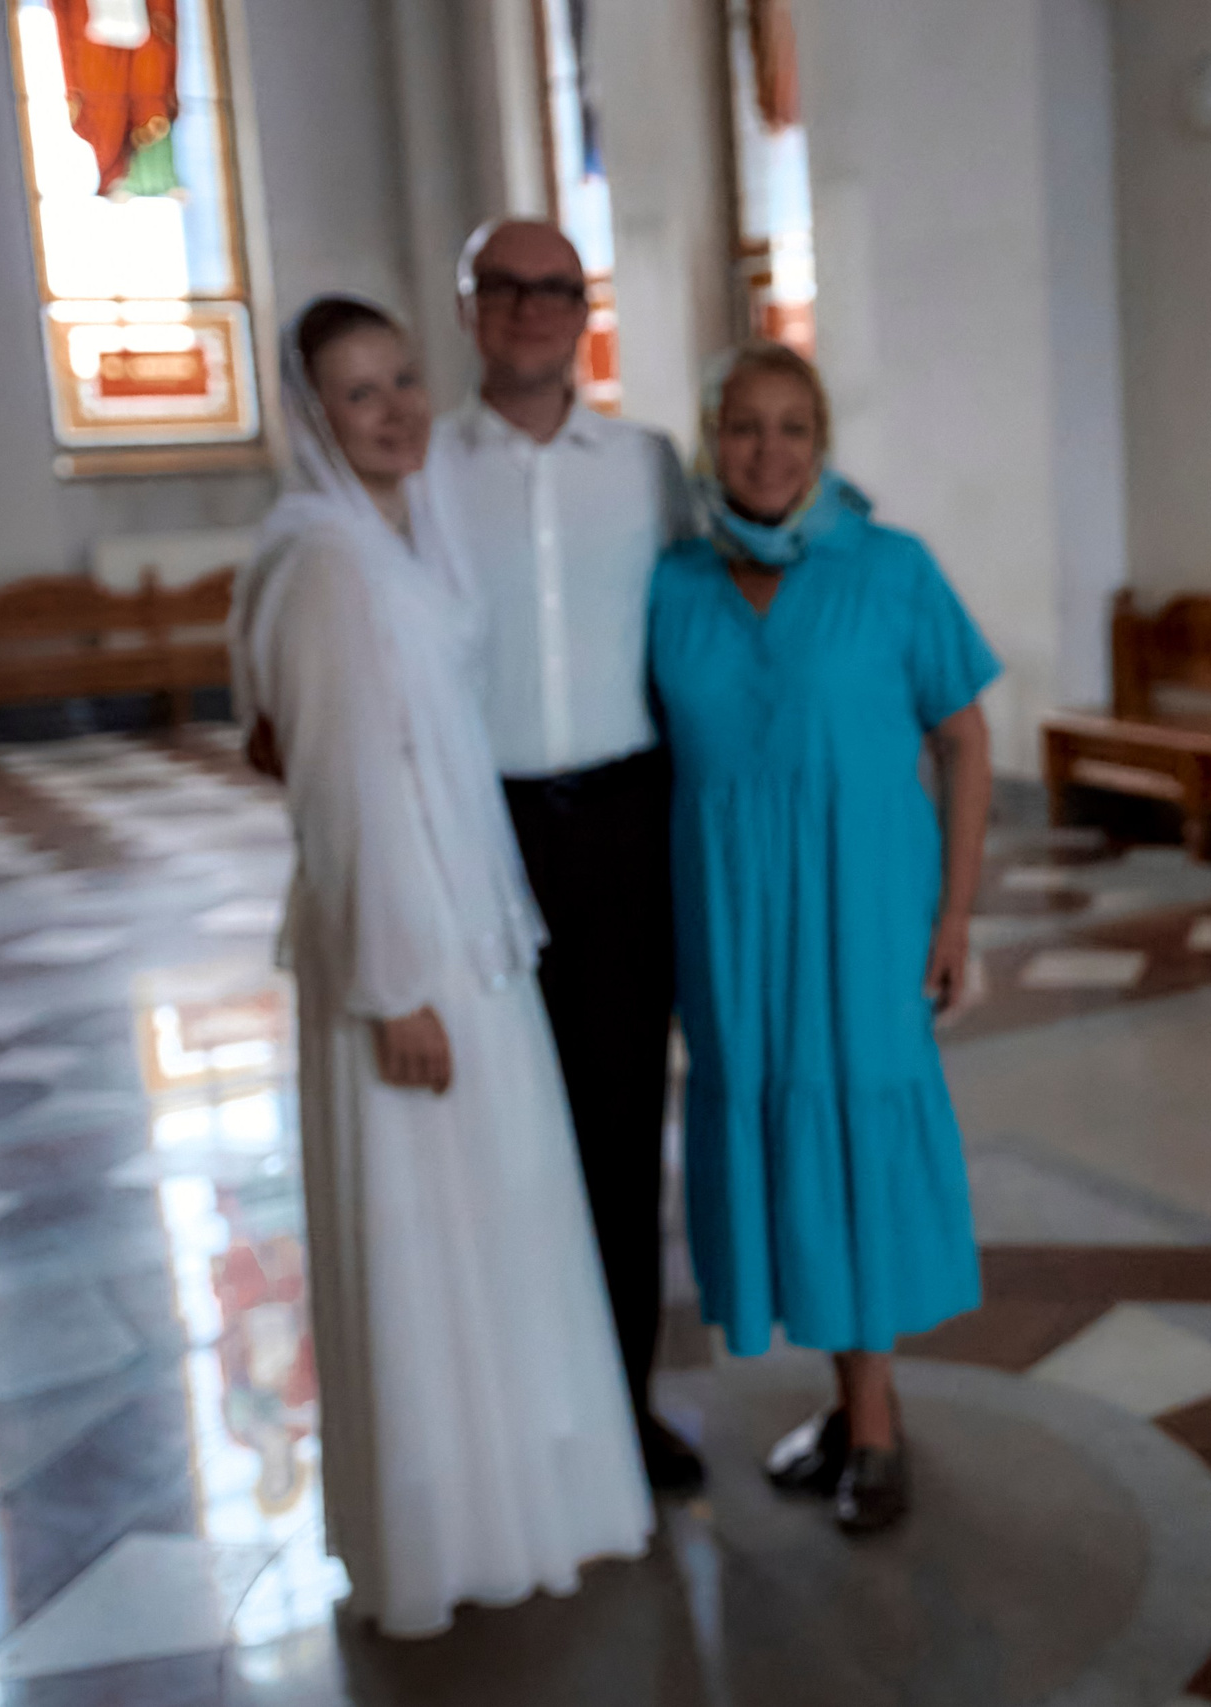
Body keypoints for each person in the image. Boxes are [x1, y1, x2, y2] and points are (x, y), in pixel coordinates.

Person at [230, 297, 651, 1638]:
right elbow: (343, 798)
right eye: (360, 394)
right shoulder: (328, 564)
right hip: (408, 954)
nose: (398, 409)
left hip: (476, 930)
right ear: (314, 417)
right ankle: (451, 1521)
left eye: (405, 380)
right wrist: (395, 984)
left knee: (501, 1221)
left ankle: (519, 1496)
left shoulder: (407, 534)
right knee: (432, 1240)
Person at [647, 341, 997, 1536]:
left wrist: (953, 915)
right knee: (779, 1150)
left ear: (824, 438)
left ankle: (878, 1422)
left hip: (862, 920)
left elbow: (965, 738)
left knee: (854, 1145)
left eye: (793, 426)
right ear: (710, 440)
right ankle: (846, 1411)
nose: (768, 450)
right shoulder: (671, 585)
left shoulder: (892, 570)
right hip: (731, 932)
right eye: (743, 426)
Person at [428, 219, 703, 1494]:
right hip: (481, 826)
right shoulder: (420, 466)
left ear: (584, 311)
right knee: (489, 1129)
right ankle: (512, 1416)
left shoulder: (647, 468)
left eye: (555, 289)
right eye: (506, 287)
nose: (531, 308)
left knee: (611, 1125)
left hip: (626, 823)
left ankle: (625, 1409)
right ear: (470, 306)